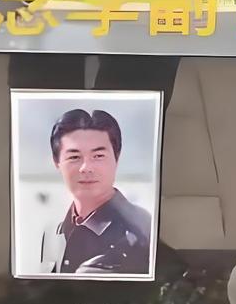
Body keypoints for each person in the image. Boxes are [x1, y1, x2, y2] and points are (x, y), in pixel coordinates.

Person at [41, 108, 153, 276]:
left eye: (98, 156)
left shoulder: (143, 228)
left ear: (117, 157)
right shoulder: (53, 230)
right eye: (74, 157)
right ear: (57, 163)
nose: (86, 168)